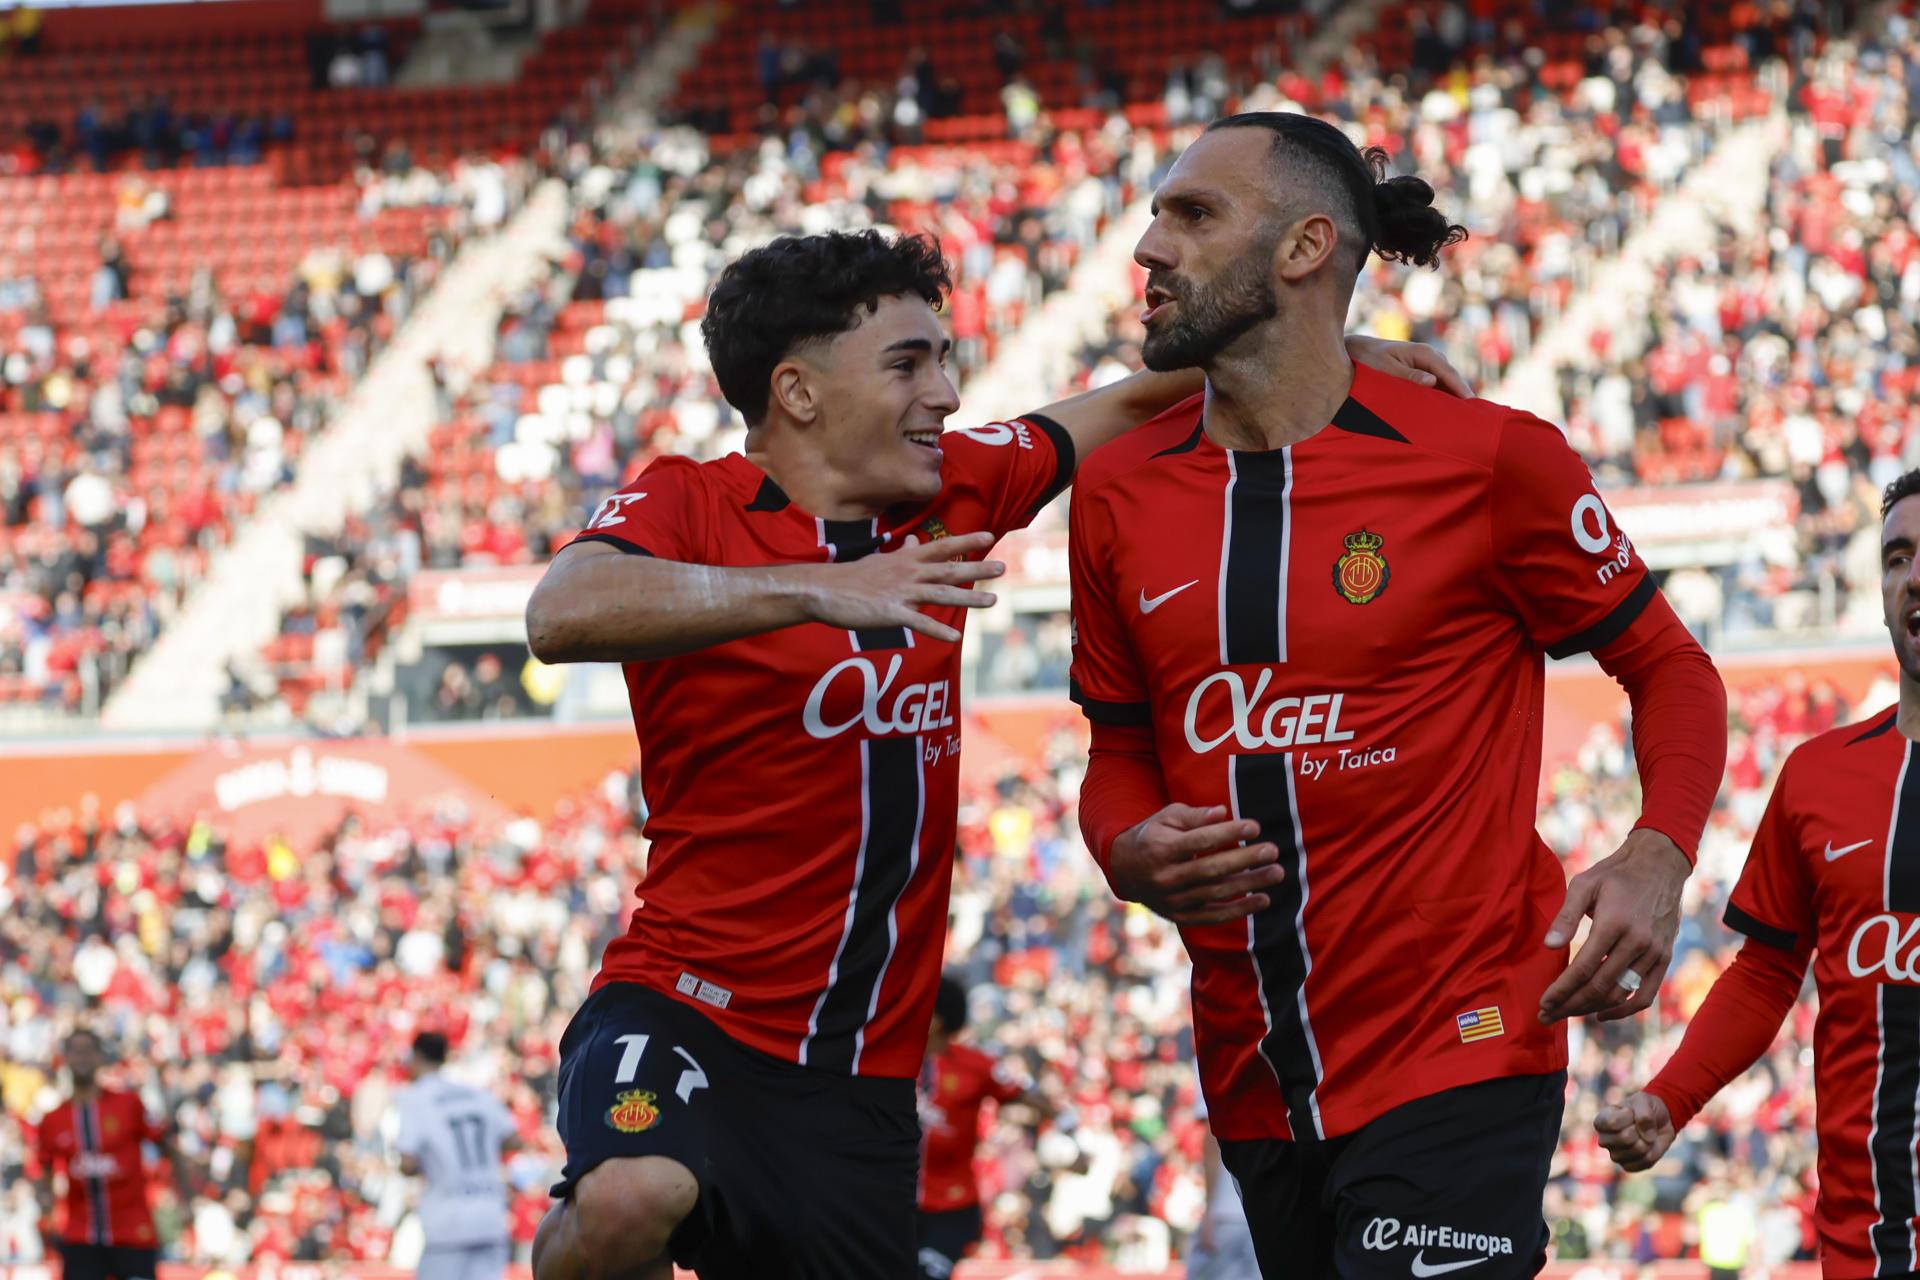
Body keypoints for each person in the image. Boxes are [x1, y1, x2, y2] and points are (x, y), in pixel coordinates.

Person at [522, 227, 1466, 1280]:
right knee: (633, 1195)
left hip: (860, 1076)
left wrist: (1321, 358)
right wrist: (820, 589)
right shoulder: (690, 502)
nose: (945, 393)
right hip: (688, 1003)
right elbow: (561, 610)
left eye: (944, 359)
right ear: (797, 391)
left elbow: (1125, 406)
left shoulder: (956, 490)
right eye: (907, 364)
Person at [1068, 112, 1728, 1278]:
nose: (1150, 247)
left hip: (1463, 1039)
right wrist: (1124, 846)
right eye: (1157, 214)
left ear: (1305, 246)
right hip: (1254, 1071)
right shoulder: (1117, 492)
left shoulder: (1489, 458)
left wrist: (1658, 851)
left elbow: (1672, 666)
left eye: (1194, 214)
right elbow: (1118, 750)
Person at [1595, 471, 1920, 1274]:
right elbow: (1766, 973)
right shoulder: (1818, 778)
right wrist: (1670, 1097)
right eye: (1897, 558)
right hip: (1870, 1244)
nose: (1913, 576)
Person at [32, 1027, 191, 1280]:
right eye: (76, 1051)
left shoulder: (128, 1104)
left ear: (99, 1057)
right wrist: (46, 1204)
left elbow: (168, 1147)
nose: (82, 1057)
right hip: (80, 1237)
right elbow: (44, 1166)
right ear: (65, 1058)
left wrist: (184, 1198)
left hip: (133, 1233)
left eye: (88, 1051)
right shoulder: (53, 1120)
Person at [915, 976, 1043, 1280]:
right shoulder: (890, 1058)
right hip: (895, 1201)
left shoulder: (976, 1065)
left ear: (935, 1021)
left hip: (951, 1206)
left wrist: (1066, 1123)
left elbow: (1024, 1094)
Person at [392, 1032, 520, 1280]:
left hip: (447, 1220)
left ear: (416, 1057)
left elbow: (408, 1162)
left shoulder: (414, 1098)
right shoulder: (477, 1094)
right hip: (489, 1214)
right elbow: (513, 1139)